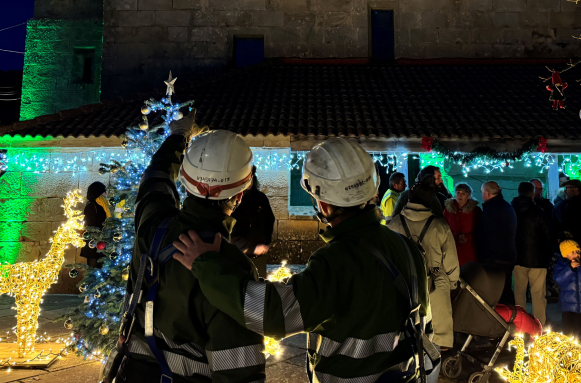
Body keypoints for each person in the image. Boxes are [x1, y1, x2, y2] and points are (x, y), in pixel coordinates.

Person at [174, 137, 440, 382]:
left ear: (323, 205)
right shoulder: (407, 248)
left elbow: (272, 314)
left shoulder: (335, 262)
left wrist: (206, 264)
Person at [114, 122, 267, 383]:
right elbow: (240, 372)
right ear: (240, 195)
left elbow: (155, 177)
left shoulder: (152, 225)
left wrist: (179, 135)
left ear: (185, 183)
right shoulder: (232, 268)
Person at [388, 178, 460, 350]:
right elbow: (450, 261)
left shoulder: (394, 224)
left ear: (409, 198)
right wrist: (453, 283)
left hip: (403, 284)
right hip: (435, 282)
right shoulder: (439, 225)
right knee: (437, 339)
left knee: (405, 338)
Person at [511, 182, 551, 325]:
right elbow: (548, 235)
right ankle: (538, 326)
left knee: (519, 294)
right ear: (532, 193)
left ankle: (520, 325)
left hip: (517, 258)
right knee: (538, 295)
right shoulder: (539, 211)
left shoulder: (511, 210)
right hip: (538, 260)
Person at [230, 165, 276, 275]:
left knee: (259, 287)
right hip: (238, 257)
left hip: (258, 256)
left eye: (251, 177)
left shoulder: (260, 198)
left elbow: (270, 220)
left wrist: (265, 241)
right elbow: (228, 233)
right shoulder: (231, 201)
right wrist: (250, 248)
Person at [478, 181, 518, 305]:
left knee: (499, 293)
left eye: (482, 192)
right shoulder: (506, 206)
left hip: (496, 258)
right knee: (505, 289)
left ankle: (504, 319)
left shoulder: (492, 210)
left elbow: (488, 235)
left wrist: (485, 257)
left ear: (487, 193)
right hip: (507, 256)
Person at [443, 183, 481, 266]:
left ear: (469, 195)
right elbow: (444, 227)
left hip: (469, 249)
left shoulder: (475, 210)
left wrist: (468, 237)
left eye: (463, 193)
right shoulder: (448, 210)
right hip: (453, 247)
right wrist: (455, 236)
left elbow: (479, 229)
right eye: (458, 192)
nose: (460, 195)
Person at [80, 181, 110, 268]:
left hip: (102, 241)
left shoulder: (103, 205)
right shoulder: (91, 205)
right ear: (98, 193)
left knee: (101, 267)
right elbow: (90, 225)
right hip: (93, 242)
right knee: (93, 267)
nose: (106, 193)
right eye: (104, 191)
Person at [554, 179, 581, 243]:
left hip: (577, 239)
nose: (565, 191)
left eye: (567, 188)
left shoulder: (579, 204)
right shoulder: (572, 202)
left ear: (575, 189)